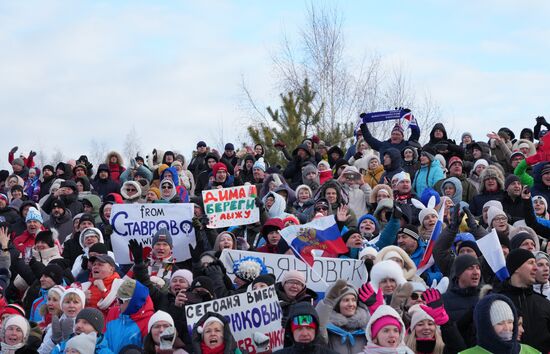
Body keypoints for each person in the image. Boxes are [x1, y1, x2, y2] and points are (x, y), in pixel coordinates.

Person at [459, 294, 540, 354]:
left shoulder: (530, 352)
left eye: (510, 322)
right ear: (486, 327)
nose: (507, 328)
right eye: (500, 323)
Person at [315, 280, 369, 354]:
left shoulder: (366, 326)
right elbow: (318, 325)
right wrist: (328, 301)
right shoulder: (328, 329)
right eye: (346, 300)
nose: (351, 304)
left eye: (353, 300)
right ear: (337, 305)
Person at [104, 278, 155, 353]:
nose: (117, 303)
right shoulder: (113, 312)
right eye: (116, 299)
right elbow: (103, 340)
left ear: (133, 301)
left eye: (120, 300)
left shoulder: (150, 321)